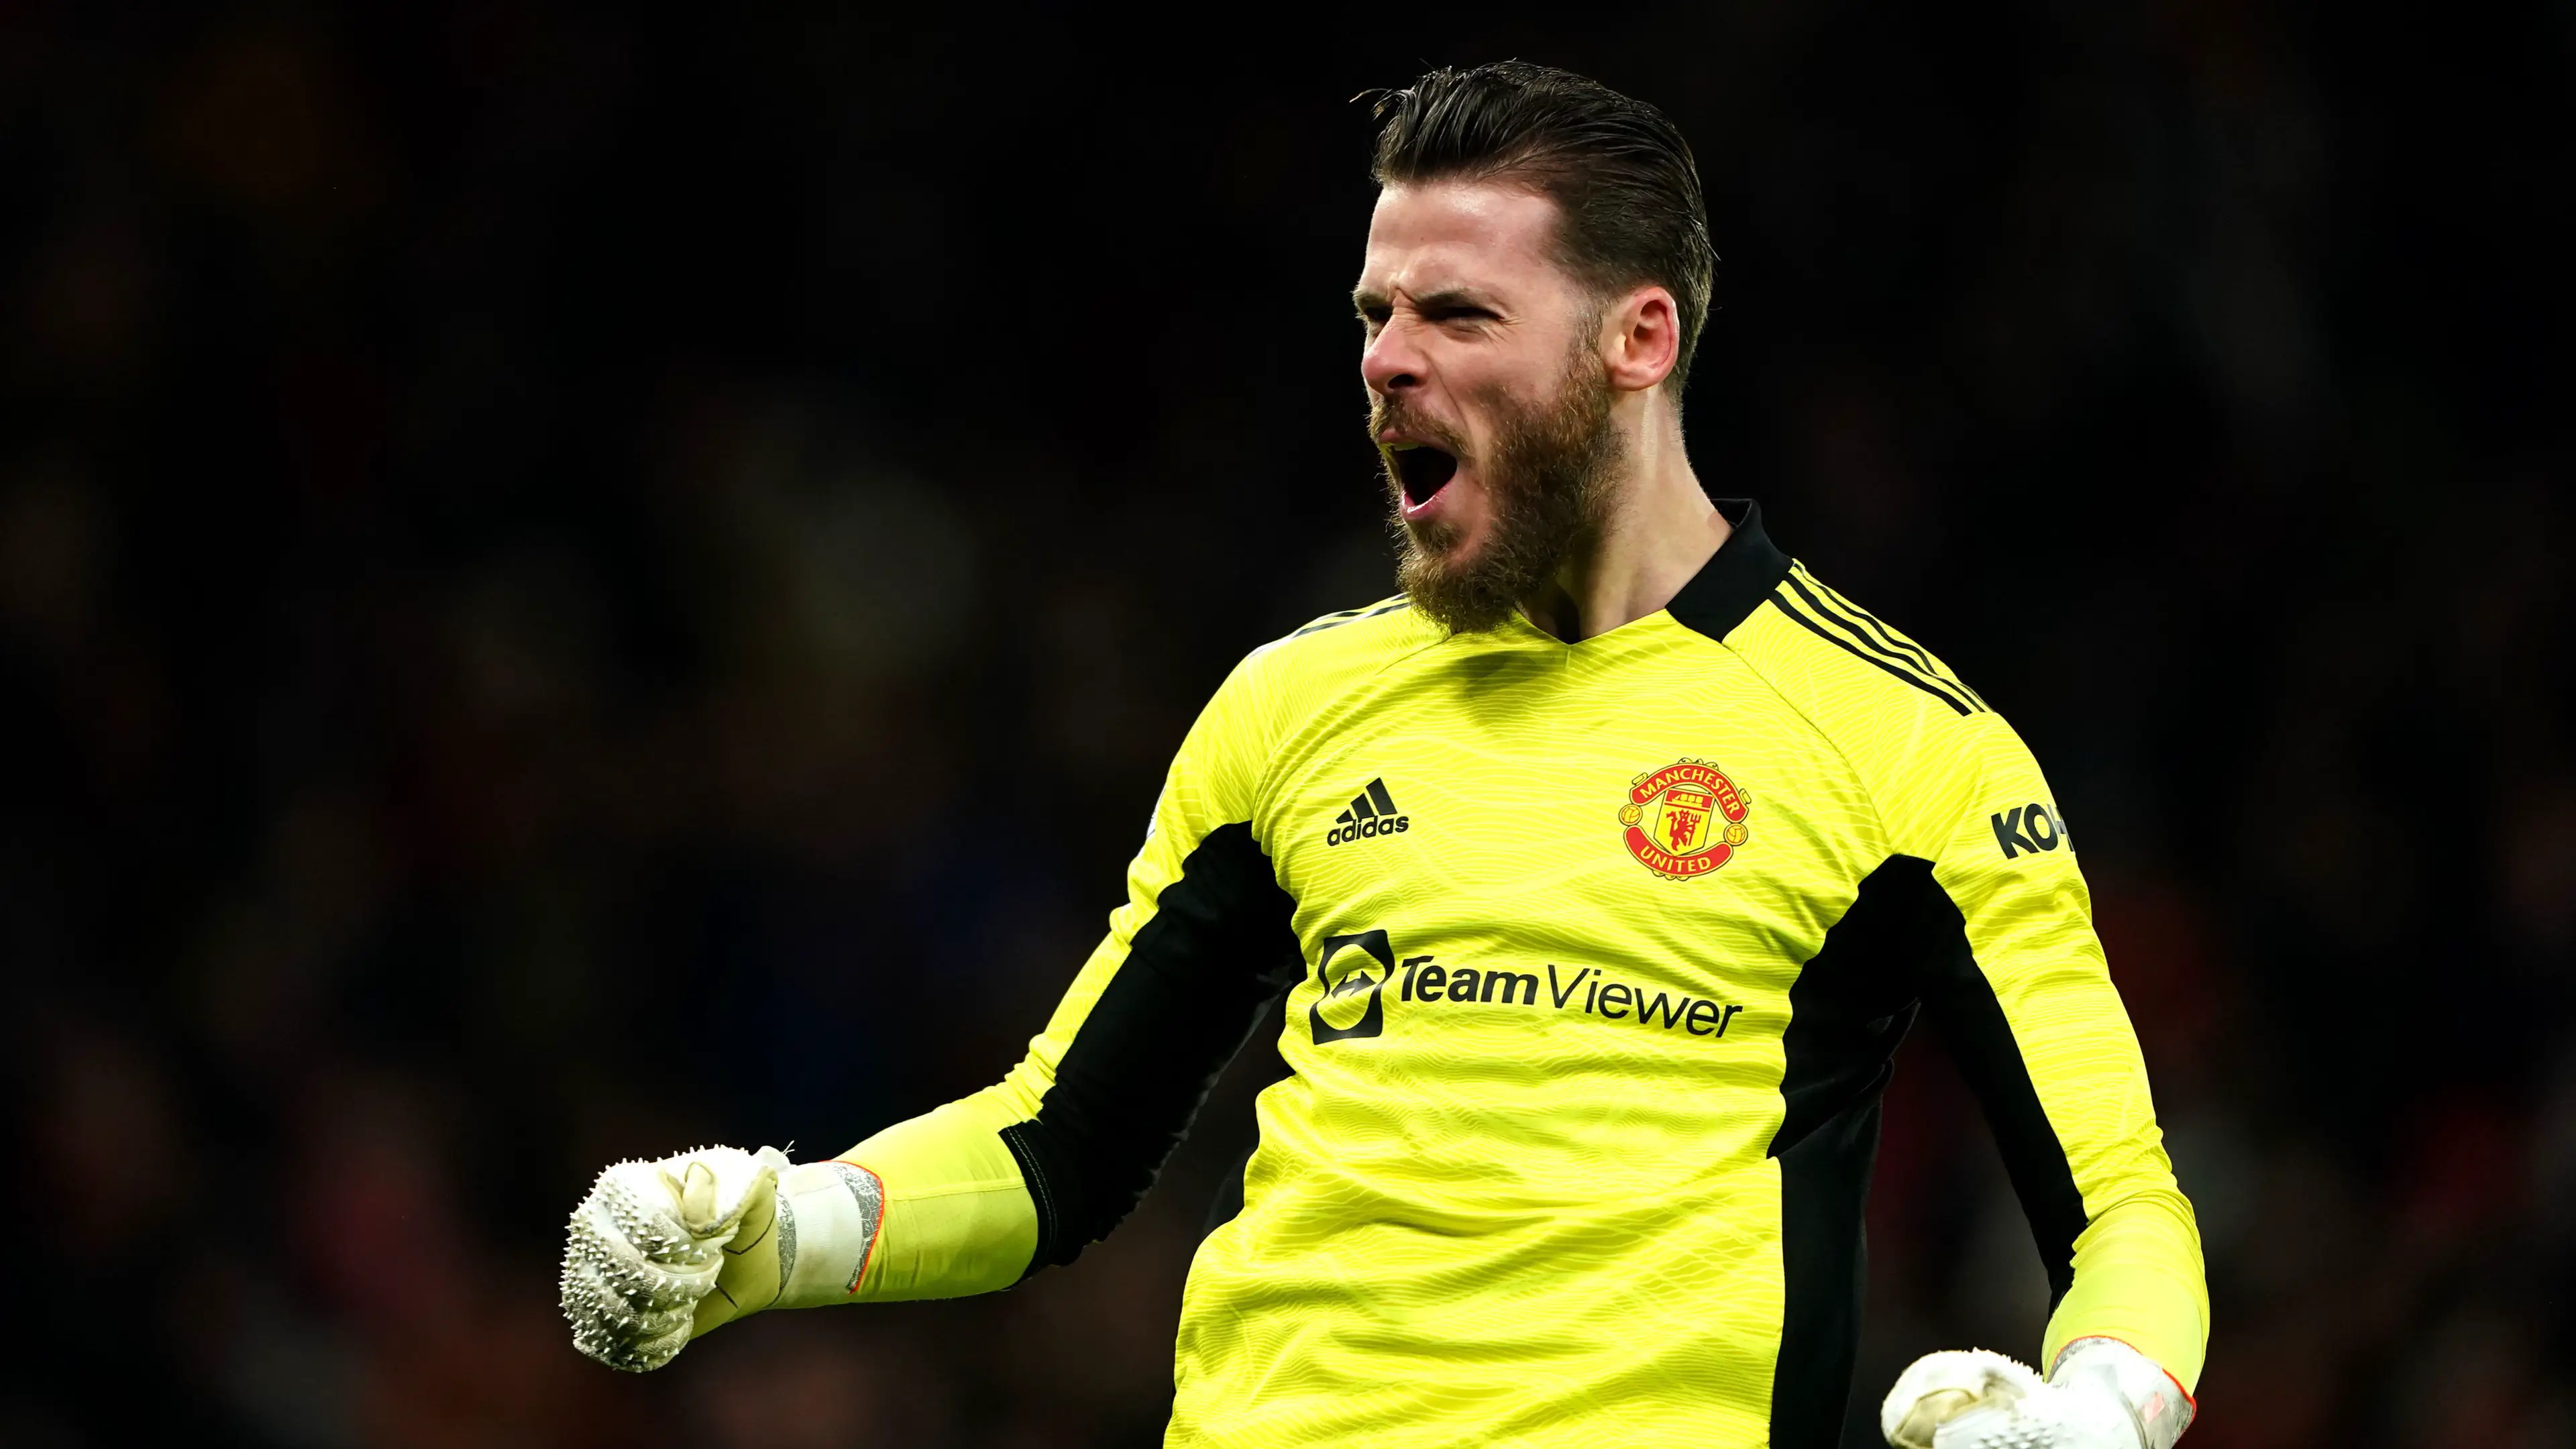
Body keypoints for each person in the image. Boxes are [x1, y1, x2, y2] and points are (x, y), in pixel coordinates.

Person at [559, 62, 2207, 1449]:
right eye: (1373, 311)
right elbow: (1055, 1146)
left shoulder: (1900, 746)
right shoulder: (1296, 708)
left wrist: (2100, 1410)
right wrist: (779, 1228)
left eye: (1457, 311)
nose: (1385, 359)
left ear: (1638, 342)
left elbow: (2122, 1202)